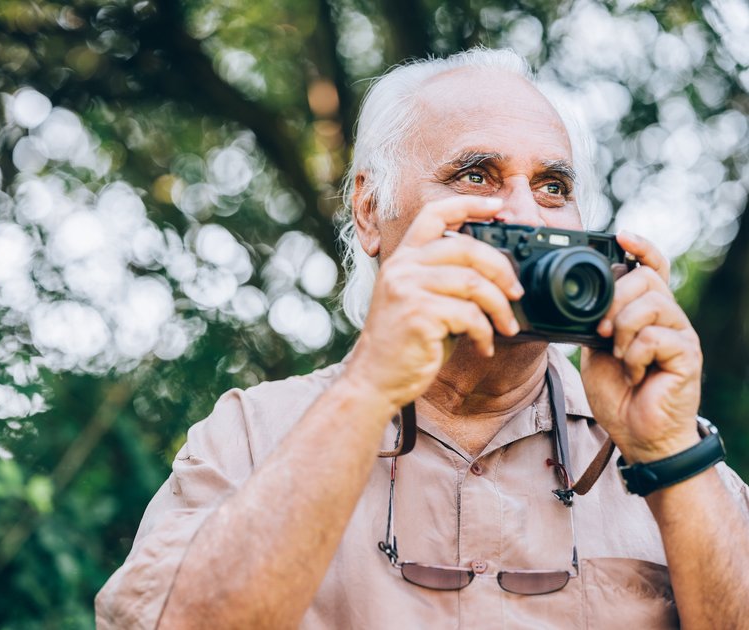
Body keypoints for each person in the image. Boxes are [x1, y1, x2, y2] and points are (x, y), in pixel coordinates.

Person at [96, 48, 749, 628]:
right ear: (370, 210)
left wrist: (669, 452)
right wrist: (368, 387)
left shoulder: (669, 455)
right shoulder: (252, 434)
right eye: (476, 176)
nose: (526, 214)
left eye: (553, 187)